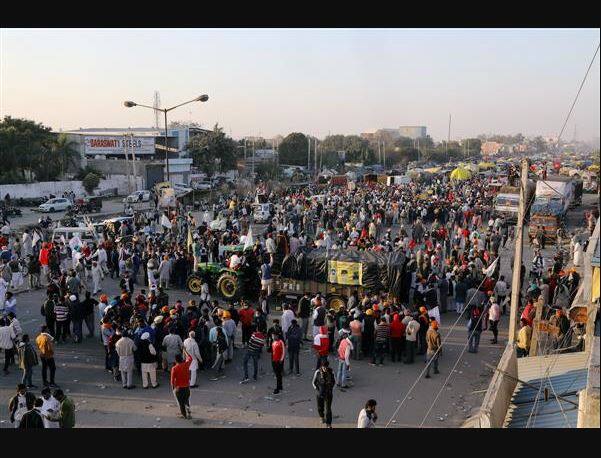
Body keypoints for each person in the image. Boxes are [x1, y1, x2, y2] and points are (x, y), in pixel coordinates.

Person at [311, 359, 335, 428]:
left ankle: (328, 424)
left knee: (328, 409)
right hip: (320, 394)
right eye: (324, 367)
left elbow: (334, 382)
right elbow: (313, 382)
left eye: (326, 367)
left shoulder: (331, 371)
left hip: (328, 394)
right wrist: (317, 390)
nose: (325, 369)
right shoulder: (317, 372)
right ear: (321, 366)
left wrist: (331, 389)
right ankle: (321, 417)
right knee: (320, 407)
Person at [171, 353, 193, 419]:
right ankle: (188, 410)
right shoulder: (186, 365)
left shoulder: (174, 368)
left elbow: (172, 380)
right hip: (186, 387)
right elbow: (190, 358)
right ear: (182, 359)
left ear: (175, 360)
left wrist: (174, 388)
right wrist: (185, 351)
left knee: (181, 403)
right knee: (186, 400)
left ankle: (184, 415)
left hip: (179, 388)